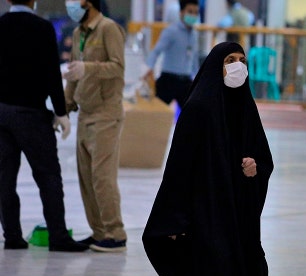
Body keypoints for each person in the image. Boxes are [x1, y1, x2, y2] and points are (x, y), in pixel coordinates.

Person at [143, 42, 274, 276]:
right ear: (216, 66)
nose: (237, 66)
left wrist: (255, 168)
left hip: (239, 219)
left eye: (241, 60)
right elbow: (178, 169)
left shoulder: (246, 109)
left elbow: (263, 159)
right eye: (229, 60)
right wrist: (175, 220)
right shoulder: (198, 109)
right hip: (205, 216)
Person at [0, 0, 88, 252]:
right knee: (48, 176)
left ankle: (13, 236)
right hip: (31, 114)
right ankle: (58, 236)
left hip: (2, 112)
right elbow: (51, 73)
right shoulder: (42, 28)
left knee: (5, 178)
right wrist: (61, 112)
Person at [63, 0, 128, 252]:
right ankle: (100, 232)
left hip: (105, 114)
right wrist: (64, 109)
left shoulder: (109, 29)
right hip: (85, 114)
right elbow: (72, 75)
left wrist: (87, 68)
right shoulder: (79, 32)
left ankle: (116, 233)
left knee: (103, 177)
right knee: (87, 178)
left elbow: (117, 67)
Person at [144, 0, 200, 111]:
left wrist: (198, 76)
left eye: (195, 12)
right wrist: (149, 67)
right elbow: (156, 51)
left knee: (192, 114)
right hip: (168, 79)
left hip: (185, 81)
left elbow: (194, 57)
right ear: (181, 12)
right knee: (157, 113)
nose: (193, 15)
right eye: (190, 11)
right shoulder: (171, 31)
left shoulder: (194, 34)